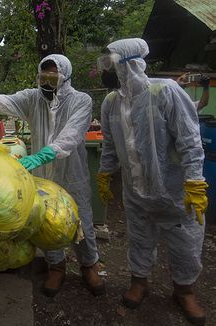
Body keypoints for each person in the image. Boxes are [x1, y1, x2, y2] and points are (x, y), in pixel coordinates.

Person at [0, 54, 105, 297]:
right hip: (44, 174)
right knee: (44, 219)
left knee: (81, 219)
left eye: (53, 77)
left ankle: (89, 265)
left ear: (65, 77)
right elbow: (2, 102)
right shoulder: (33, 98)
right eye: (43, 76)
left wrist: (41, 155)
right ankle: (56, 266)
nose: (47, 82)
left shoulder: (81, 101)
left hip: (71, 174)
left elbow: (71, 135)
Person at [95, 38, 208, 326]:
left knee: (185, 241)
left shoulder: (165, 91)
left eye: (110, 62)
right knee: (139, 237)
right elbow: (109, 143)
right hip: (135, 191)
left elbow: (189, 139)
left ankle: (184, 290)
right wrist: (106, 172)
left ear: (130, 63)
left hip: (174, 189)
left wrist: (194, 181)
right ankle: (139, 281)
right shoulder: (111, 102)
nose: (106, 69)